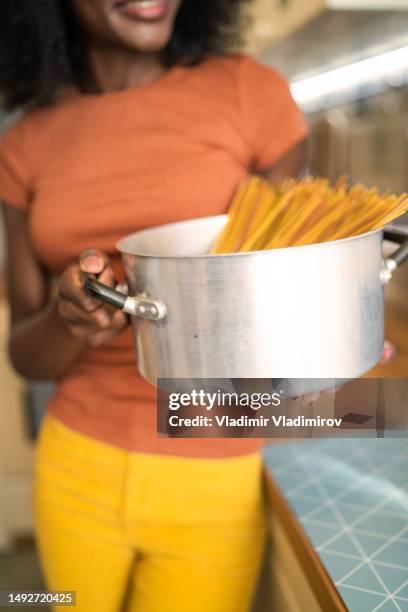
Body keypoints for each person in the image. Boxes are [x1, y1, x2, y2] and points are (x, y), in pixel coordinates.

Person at [0, 1, 308, 610]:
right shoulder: (24, 142)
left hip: (213, 469)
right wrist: (71, 319)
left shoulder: (250, 93)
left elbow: (288, 286)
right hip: (75, 465)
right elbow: (26, 356)